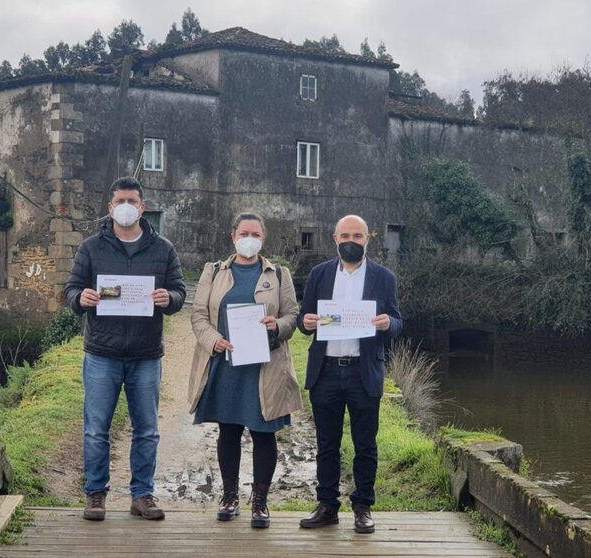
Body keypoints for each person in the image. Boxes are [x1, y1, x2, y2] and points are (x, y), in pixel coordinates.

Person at [65, 177, 186, 521]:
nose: (126, 206)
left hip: (146, 354)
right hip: (102, 352)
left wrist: (170, 298)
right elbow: (71, 290)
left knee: (147, 429)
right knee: (95, 428)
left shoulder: (163, 249)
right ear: (111, 207)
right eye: (120, 200)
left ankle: (142, 495)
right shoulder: (91, 247)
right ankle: (96, 494)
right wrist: (81, 298)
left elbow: (179, 293)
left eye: (132, 200)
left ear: (142, 206)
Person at [188, 212, 303, 529]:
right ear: (233, 236)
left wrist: (276, 325)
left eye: (255, 233)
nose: (249, 238)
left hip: (265, 368)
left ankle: (260, 502)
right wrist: (214, 340)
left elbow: (292, 316)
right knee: (228, 431)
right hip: (226, 365)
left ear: (263, 238)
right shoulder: (213, 272)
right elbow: (199, 316)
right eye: (244, 232)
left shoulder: (279, 274)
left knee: (264, 435)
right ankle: (229, 497)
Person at [297, 214, 403, 534]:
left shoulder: (384, 278)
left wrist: (388, 323)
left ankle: (363, 507)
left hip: (363, 372)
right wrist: (309, 323)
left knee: (365, 444)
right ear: (335, 238)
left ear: (367, 239)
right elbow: (304, 319)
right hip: (326, 371)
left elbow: (398, 323)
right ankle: (327, 506)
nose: (351, 241)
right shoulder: (319, 274)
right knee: (326, 444)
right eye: (345, 235)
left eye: (358, 236)